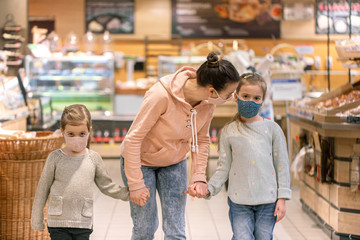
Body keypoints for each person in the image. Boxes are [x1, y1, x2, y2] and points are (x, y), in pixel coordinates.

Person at [119, 52, 240, 239]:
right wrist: (135, 184)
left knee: (176, 228)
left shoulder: (208, 103)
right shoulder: (160, 95)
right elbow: (133, 139)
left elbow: (201, 139)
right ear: (211, 91)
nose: (231, 98)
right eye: (228, 94)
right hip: (141, 162)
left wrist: (199, 176)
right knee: (145, 227)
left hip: (175, 162)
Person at [204, 73, 291, 240]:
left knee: (264, 237)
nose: (251, 101)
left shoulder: (273, 129)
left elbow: (282, 165)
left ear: (263, 101)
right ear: (236, 97)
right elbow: (223, 167)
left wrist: (282, 198)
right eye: (245, 96)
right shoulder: (229, 130)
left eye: (257, 98)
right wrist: (210, 188)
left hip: (268, 200)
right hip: (239, 200)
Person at [31, 104, 137, 240]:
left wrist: (130, 193)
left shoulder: (93, 158)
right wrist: (37, 220)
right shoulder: (55, 158)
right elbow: (42, 189)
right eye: (71, 134)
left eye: (82, 134)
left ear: (89, 131)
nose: (77, 138)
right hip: (58, 222)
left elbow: (107, 186)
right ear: (62, 131)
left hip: (83, 222)